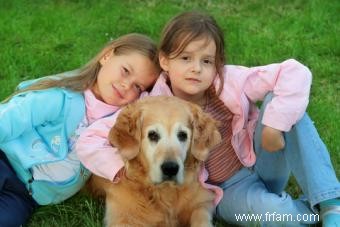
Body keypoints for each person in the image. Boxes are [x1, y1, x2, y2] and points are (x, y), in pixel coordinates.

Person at [75, 12, 340, 226]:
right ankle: (308, 211)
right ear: (165, 61)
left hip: (262, 159)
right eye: (185, 58)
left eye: (206, 61)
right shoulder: (150, 106)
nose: (196, 69)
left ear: (217, 64)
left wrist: (273, 126)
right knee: (280, 216)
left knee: (285, 107)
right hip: (225, 191)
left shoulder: (230, 80)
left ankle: (330, 203)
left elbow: (295, 72)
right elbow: (89, 140)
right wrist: (120, 169)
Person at [0, 33, 160, 227]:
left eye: (137, 86)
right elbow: (11, 118)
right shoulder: (63, 98)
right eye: (125, 70)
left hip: (26, 196)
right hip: (6, 162)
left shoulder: (119, 123)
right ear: (107, 56)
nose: (126, 85)